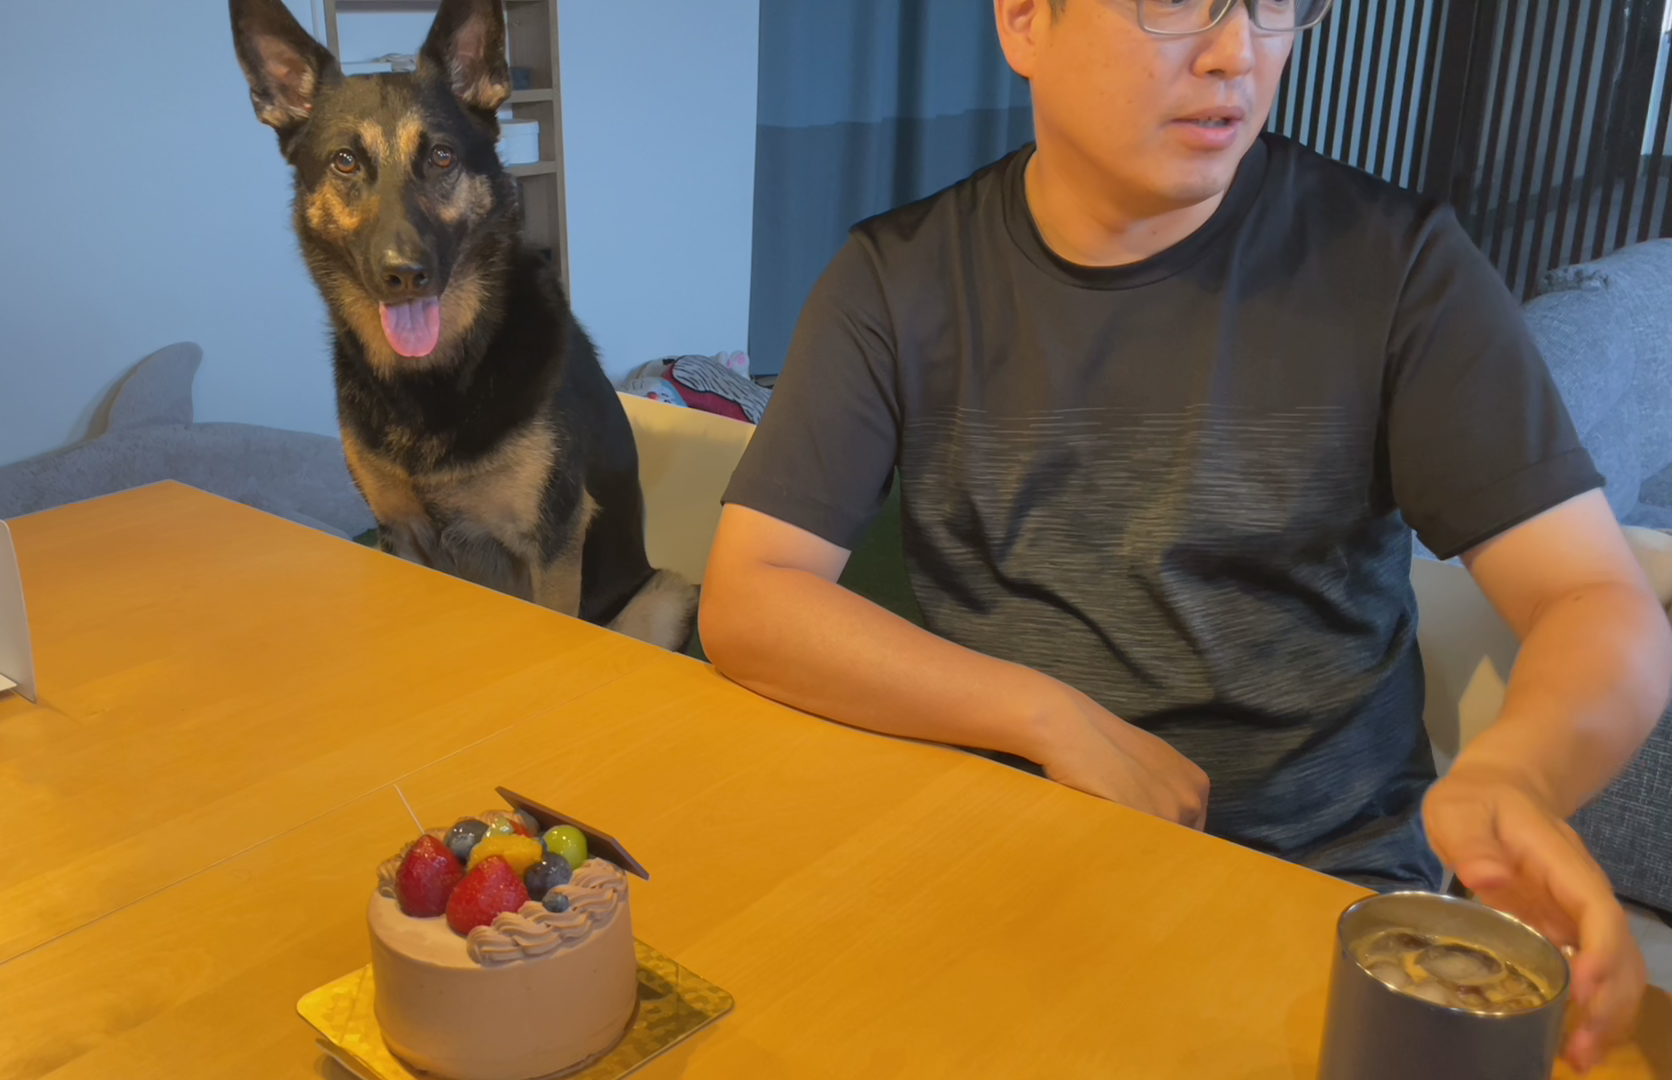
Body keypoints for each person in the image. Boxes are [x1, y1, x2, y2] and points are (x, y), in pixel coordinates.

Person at [699, 0, 1672, 1069]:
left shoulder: (1396, 266)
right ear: (1023, 23)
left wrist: (1520, 777)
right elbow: (753, 594)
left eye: (1273, 5)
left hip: (1311, 891)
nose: (1236, 52)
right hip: (1001, 848)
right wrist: (1044, 714)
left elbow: (1596, 598)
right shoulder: (901, 276)